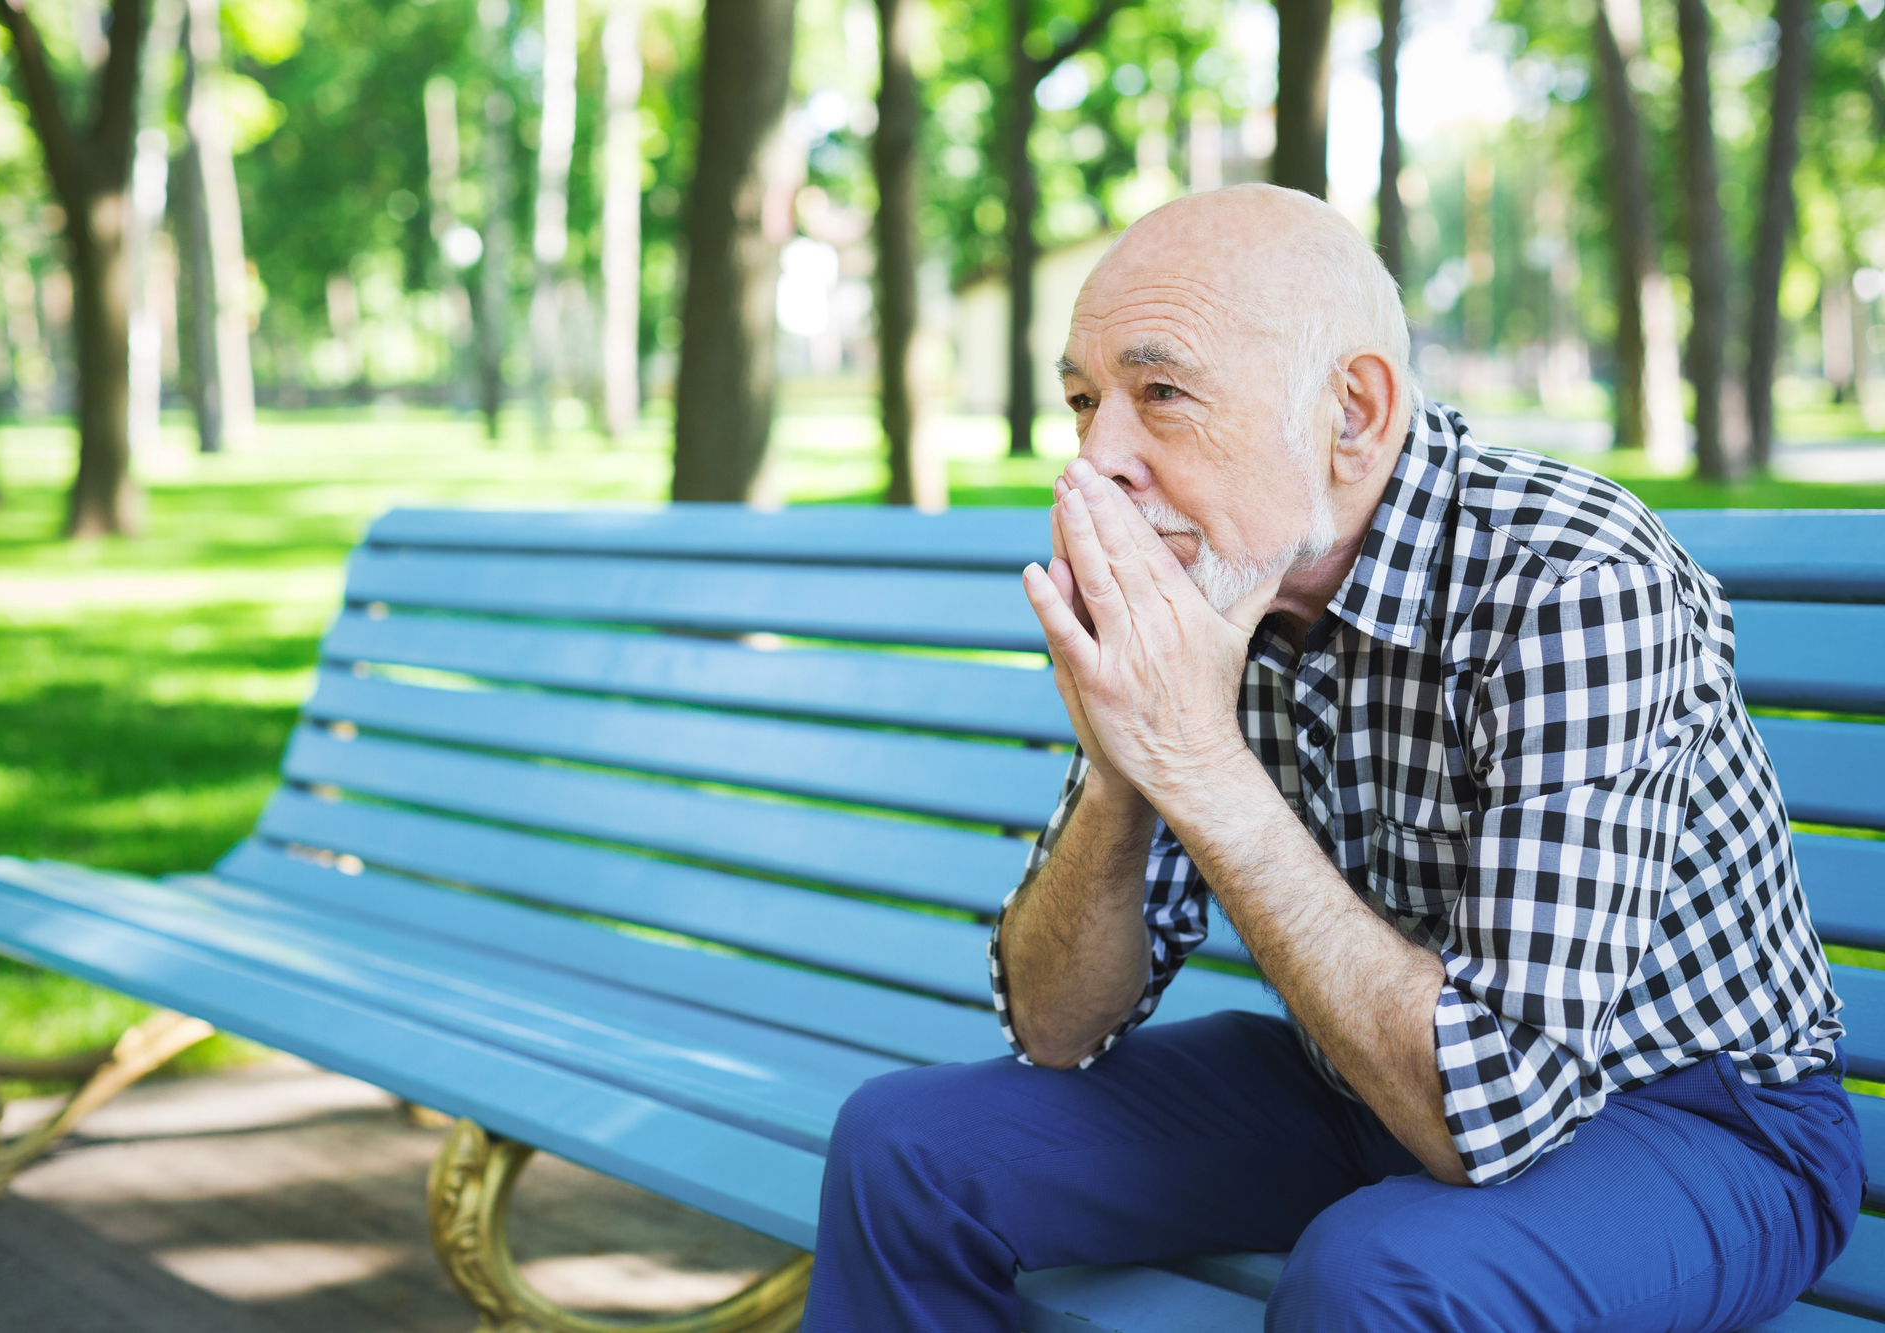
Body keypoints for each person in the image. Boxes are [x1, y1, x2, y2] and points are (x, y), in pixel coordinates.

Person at [796, 185, 1862, 1332]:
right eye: (1081, 400)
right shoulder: (1212, 577)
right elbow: (1055, 1025)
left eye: (1159, 394)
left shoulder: (1572, 579)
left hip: (1690, 1120)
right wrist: (1123, 769)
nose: (1095, 460)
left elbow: (1490, 1103)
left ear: (1351, 410)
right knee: (902, 1147)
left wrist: (1198, 761)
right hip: (1360, 1079)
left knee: (1378, 1278)